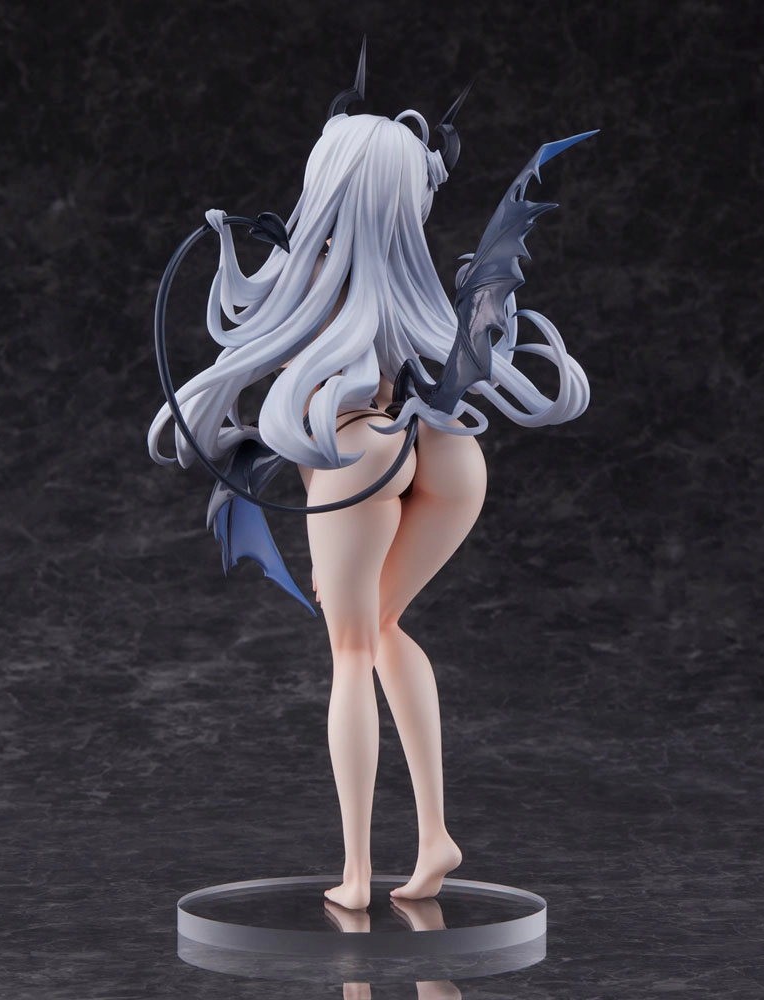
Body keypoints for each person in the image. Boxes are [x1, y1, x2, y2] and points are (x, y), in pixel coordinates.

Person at [148, 97, 591, 910]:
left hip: (356, 447)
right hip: (447, 449)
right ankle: (434, 838)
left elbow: (279, 387)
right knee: (385, 628)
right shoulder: (412, 284)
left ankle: (355, 875)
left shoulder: (316, 274)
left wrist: (234, 247)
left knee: (351, 649)